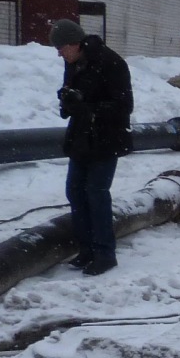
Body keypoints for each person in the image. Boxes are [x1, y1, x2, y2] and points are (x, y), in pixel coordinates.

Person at [51, 19, 133, 276]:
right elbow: (75, 97)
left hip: (106, 138)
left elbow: (124, 106)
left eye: (61, 48)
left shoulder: (111, 63)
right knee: (75, 191)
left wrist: (87, 107)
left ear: (75, 43)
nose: (59, 54)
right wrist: (67, 101)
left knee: (96, 193)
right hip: (81, 137)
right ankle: (86, 249)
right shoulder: (74, 62)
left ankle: (104, 253)